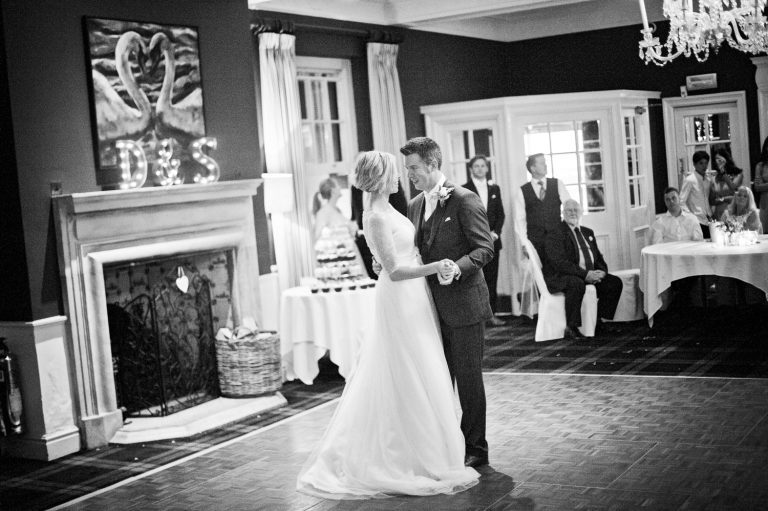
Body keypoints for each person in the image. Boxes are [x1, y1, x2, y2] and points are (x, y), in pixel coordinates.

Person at [296, 151, 479, 499]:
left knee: (423, 366)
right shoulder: (376, 216)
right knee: (407, 369)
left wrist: (398, 262)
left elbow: (388, 259)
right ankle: (407, 454)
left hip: (414, 296)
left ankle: (433, 448)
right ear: (380, 178)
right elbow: (394, 271)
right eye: (394, 172)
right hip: (400, 298)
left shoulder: (388, 209)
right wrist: (435, 266)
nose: (399, 177)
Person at [401, 136, 495, 468]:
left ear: (432, 164)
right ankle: (445, 443)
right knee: (439, 379)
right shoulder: (414, 205)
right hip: (428, 309)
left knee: (468, 380)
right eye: (407, 168)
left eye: (413, 167)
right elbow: (414, 250)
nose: (409, 174)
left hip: (465, 305)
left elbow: (484, 248)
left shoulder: (465, 199)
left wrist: (458, 268)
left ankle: (476, 448)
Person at [543, 199, 623, 339]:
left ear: (580, 213)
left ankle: (598, 320)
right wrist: (585, 274)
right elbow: (560, 263)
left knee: (614, 283)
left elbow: (598, 258)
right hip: (563, 276)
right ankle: (571, 326)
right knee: (577, 283)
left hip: (587, 274)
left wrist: (602, 272)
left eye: (576, 210)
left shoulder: (587, 232)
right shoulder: (555, 233)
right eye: (569, 210)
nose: (572, 213)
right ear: (563, 213)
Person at [463, 154, 506, 324]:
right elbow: (465, 217)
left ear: (487, 168)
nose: (480, 169)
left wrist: (495, 233)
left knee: (492, 279)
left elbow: (500, 214)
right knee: (476, 280)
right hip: (473, 244)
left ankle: (491, 315)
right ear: (471, 169)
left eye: (482, 166)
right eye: (476, 166)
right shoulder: (464, 189)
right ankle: (477, 317)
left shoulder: (495, 189)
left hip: (493, 242)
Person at [350, 155, 408, 279]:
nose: (398, 176)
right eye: (393, 172)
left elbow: (403, 212)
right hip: (368, 247)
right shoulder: (374, 214)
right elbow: (355, 216)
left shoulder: (389, 206)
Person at [513, 153, 571, 259]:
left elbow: (570, 208)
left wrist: (570, 233)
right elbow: (519, 220)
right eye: (542, 163)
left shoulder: (557, 184)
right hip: (535, 243)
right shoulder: (522, 191)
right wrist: (524, 244)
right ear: (533, 168)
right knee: (540, 269)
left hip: (558, 240)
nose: (545, 165)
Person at [680, 150, 714, 238]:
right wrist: (691, 216)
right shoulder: (690, 180)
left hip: (709, 219)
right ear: (694, 164)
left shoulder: (708, 180)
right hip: (697, 220)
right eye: (701, 163)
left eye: (706, 163)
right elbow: (681, 201)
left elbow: (707, 199)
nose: (704, 166)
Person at [711, 147, 744, 220]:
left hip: (733, 212)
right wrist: (725, 199)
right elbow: (712, 201)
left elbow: (733, 187)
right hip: (719, 212)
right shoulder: (715, 178)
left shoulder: (738, 174)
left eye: (719, 158)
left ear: (726, 158)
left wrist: (723, 171)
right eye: (716, 159)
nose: (717, 161)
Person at [753, 137, 768, 231]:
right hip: (765, 203)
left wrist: (765, 184)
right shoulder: (760, 166)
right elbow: (757, 187)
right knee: (765, 232)